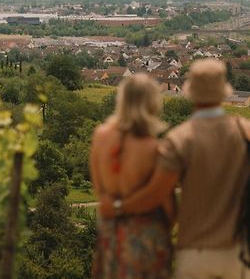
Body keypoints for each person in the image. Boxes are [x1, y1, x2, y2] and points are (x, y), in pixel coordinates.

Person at [100, 58, 250, 279]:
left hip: (195, 251)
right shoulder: (244, 132)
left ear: (191, 93)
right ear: (223, 92)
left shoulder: (179, 139)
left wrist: (119, 207)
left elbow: (157, 194)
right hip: (239, 249)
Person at [90, 73, 174, 279]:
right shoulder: (153, 149)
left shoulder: (100, 136)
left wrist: (113, 208)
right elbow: (166, 205)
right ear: (152, 104)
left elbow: (99, 187)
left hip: (109, 231)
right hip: (144, 238)